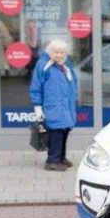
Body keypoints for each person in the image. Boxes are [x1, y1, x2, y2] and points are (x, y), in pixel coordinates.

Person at [30, 38, 77, 171]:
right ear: (50, 52)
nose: (59, 55)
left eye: (62, 52)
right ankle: (52, 160)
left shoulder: (66, 65)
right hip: (53, 106)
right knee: (56, 132)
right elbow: (36, 86)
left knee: (65, 130)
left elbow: (74, 82)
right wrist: (37, 106)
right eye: (56, 52)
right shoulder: (43, 64)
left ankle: (61, 157)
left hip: (66, 106)